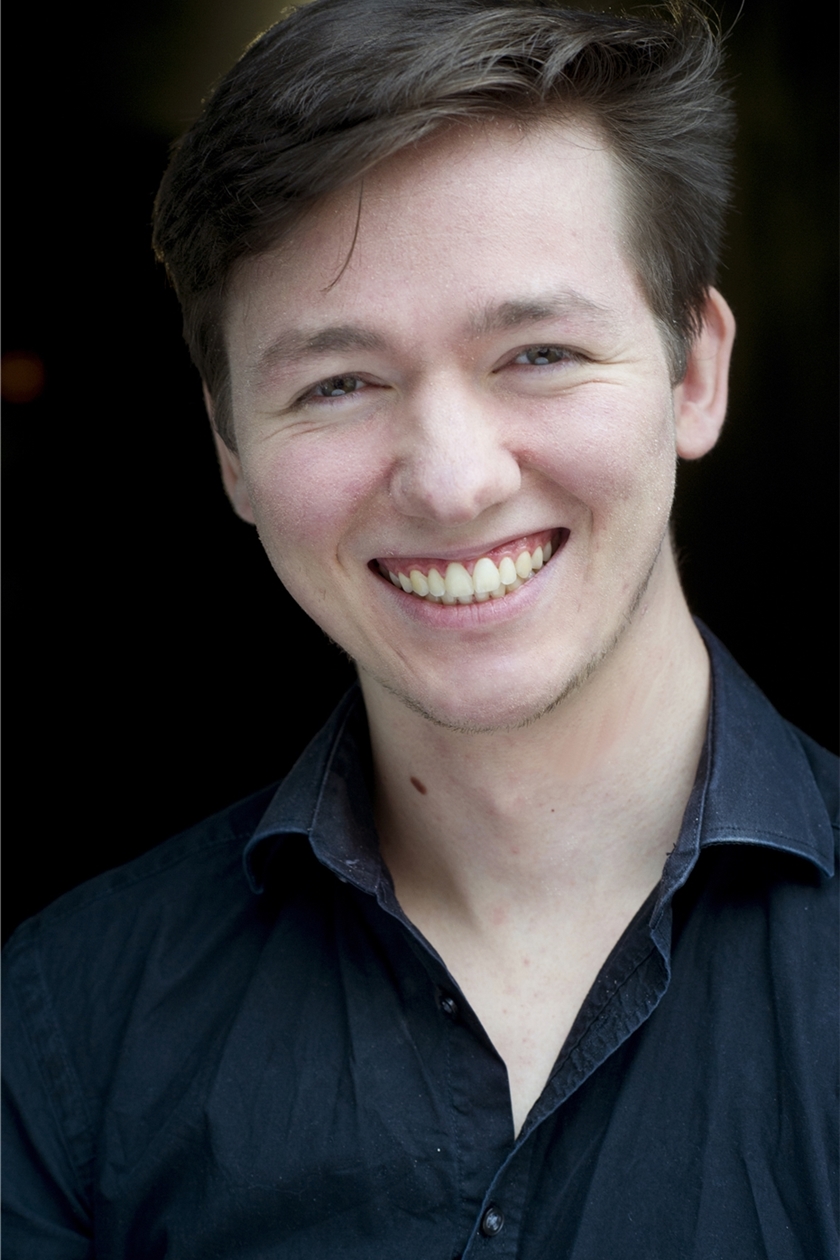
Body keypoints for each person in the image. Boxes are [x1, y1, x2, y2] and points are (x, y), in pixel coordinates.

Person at [3, 1, 836, 1256]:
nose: (452, 483)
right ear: (231, 452)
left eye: (539, 353)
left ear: (693, 374)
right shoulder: (65, 1026)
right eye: (339, 383)